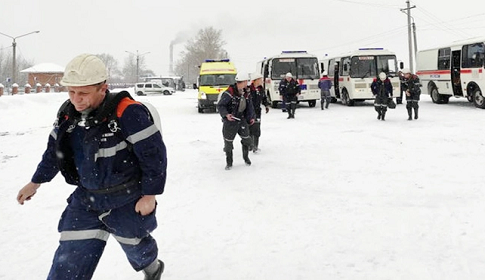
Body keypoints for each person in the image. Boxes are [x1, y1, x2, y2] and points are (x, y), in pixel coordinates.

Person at [16, 54, 167, 280]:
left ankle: (153, 269)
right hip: (86, 200)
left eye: (84, 93)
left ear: (103, 88)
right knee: (69, 261)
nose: (76, 99)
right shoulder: (68, 115)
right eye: (72, 92)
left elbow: (153, 156)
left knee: (136, 246)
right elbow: (53, 153)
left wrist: (150, 194)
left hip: (126, 198)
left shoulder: (128, 112)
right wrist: (35, 182)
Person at [217, 72, 256, 170]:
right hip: (230, 122)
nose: (247, 83)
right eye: (246, 81)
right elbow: (221, 105)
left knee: (247, 139)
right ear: (241, 82)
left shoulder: (246, 93)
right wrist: (226, 115)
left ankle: (246, 157)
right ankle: (229, 163)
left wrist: (251, 117)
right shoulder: (229, 93)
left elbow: (250, 107)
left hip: (242, 120)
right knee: (228, 143)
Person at [249, 72, 270, 153]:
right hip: (249, 112)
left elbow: (264, 98)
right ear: (255, 80)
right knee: (249, 128)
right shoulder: (249, 89)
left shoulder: (261, 89)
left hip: (257, 112)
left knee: (257, 129)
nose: (261, 81)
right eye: (260, 79)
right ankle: (249, 145)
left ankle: (255, 146)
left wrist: (266, 105)